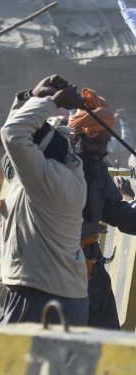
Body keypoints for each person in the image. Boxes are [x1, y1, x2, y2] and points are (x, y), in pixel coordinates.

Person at [0, 75, 89, 325]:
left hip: (43, 297)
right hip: (53, 291)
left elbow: (13, 135)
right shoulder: (57, 171)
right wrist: (31, 97)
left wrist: (51, 101)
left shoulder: (50, 180)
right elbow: (13, 141)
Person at [67, 88, 136, 328]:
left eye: (105, 142)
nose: (100, 148)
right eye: (95, 141)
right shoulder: (55, 169)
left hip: (91, 270)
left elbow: (119, 212)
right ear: (77, 138)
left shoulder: (98, 172)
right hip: (56, 273)